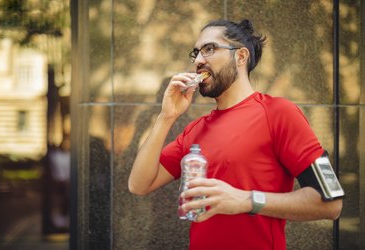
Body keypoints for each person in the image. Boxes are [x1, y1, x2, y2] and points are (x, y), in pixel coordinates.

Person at [128, 19, 343, 250]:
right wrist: (166, 117)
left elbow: (330, 204)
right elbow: (139, 185)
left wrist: (245, 200)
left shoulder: (279, 113)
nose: (199, 61)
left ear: (240, 56)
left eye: (209, 49)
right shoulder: (195, 130)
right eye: (196, 53)